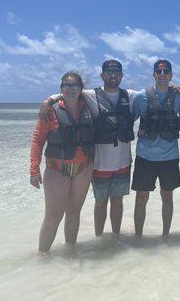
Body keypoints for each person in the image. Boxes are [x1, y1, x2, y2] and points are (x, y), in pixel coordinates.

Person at [39, 60, 135, 237]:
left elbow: (155, 93)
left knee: (118, 202)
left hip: (123, 161)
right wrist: (48, 101)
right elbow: (68, 92)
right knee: (100, 202)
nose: (113, 75)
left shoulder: (129, 95)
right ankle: (99, 239)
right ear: (102, 75)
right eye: (109, 72)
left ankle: (115, 238)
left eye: (116, 72)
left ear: (121, 76)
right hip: (100, 162)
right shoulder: (91, 95)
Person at [30, 71, 95, 253]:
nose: (71, 89)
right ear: (61, 89)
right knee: (53, 216)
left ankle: (70, 252)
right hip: (57, 169)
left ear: (81, 88)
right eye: (66, 85)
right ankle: (42, 256)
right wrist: (34, 170)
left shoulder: (89, 107)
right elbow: (37, 140)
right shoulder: (50, 111)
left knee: (74, 212)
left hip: (83, 168)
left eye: (75, 85)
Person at [131, 59, 180, 237]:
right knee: (141, 198)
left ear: (171, 75)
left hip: (169, 157)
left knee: (167, 197)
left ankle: (166, 236)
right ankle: (138, 237)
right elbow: (129, 120)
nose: (162, 75)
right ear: (154, 74)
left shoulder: (179, 97)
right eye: (159, 72)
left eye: (166, 72)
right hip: (145, 157)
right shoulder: (140, 97)